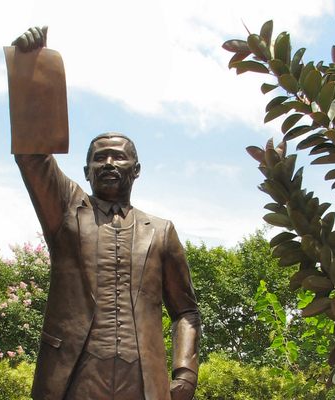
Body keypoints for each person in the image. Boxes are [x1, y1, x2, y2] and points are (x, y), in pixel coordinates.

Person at [12, 27, 201, 400]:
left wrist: (185, 373)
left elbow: (186, 311)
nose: (110, 163)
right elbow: (32, 155)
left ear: (136, 169)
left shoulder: (160, 232)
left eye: (120, 157)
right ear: (86, 172)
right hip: (76, 375)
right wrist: (32, 69)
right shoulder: (68, 212)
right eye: (100, 158)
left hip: (142, 380)